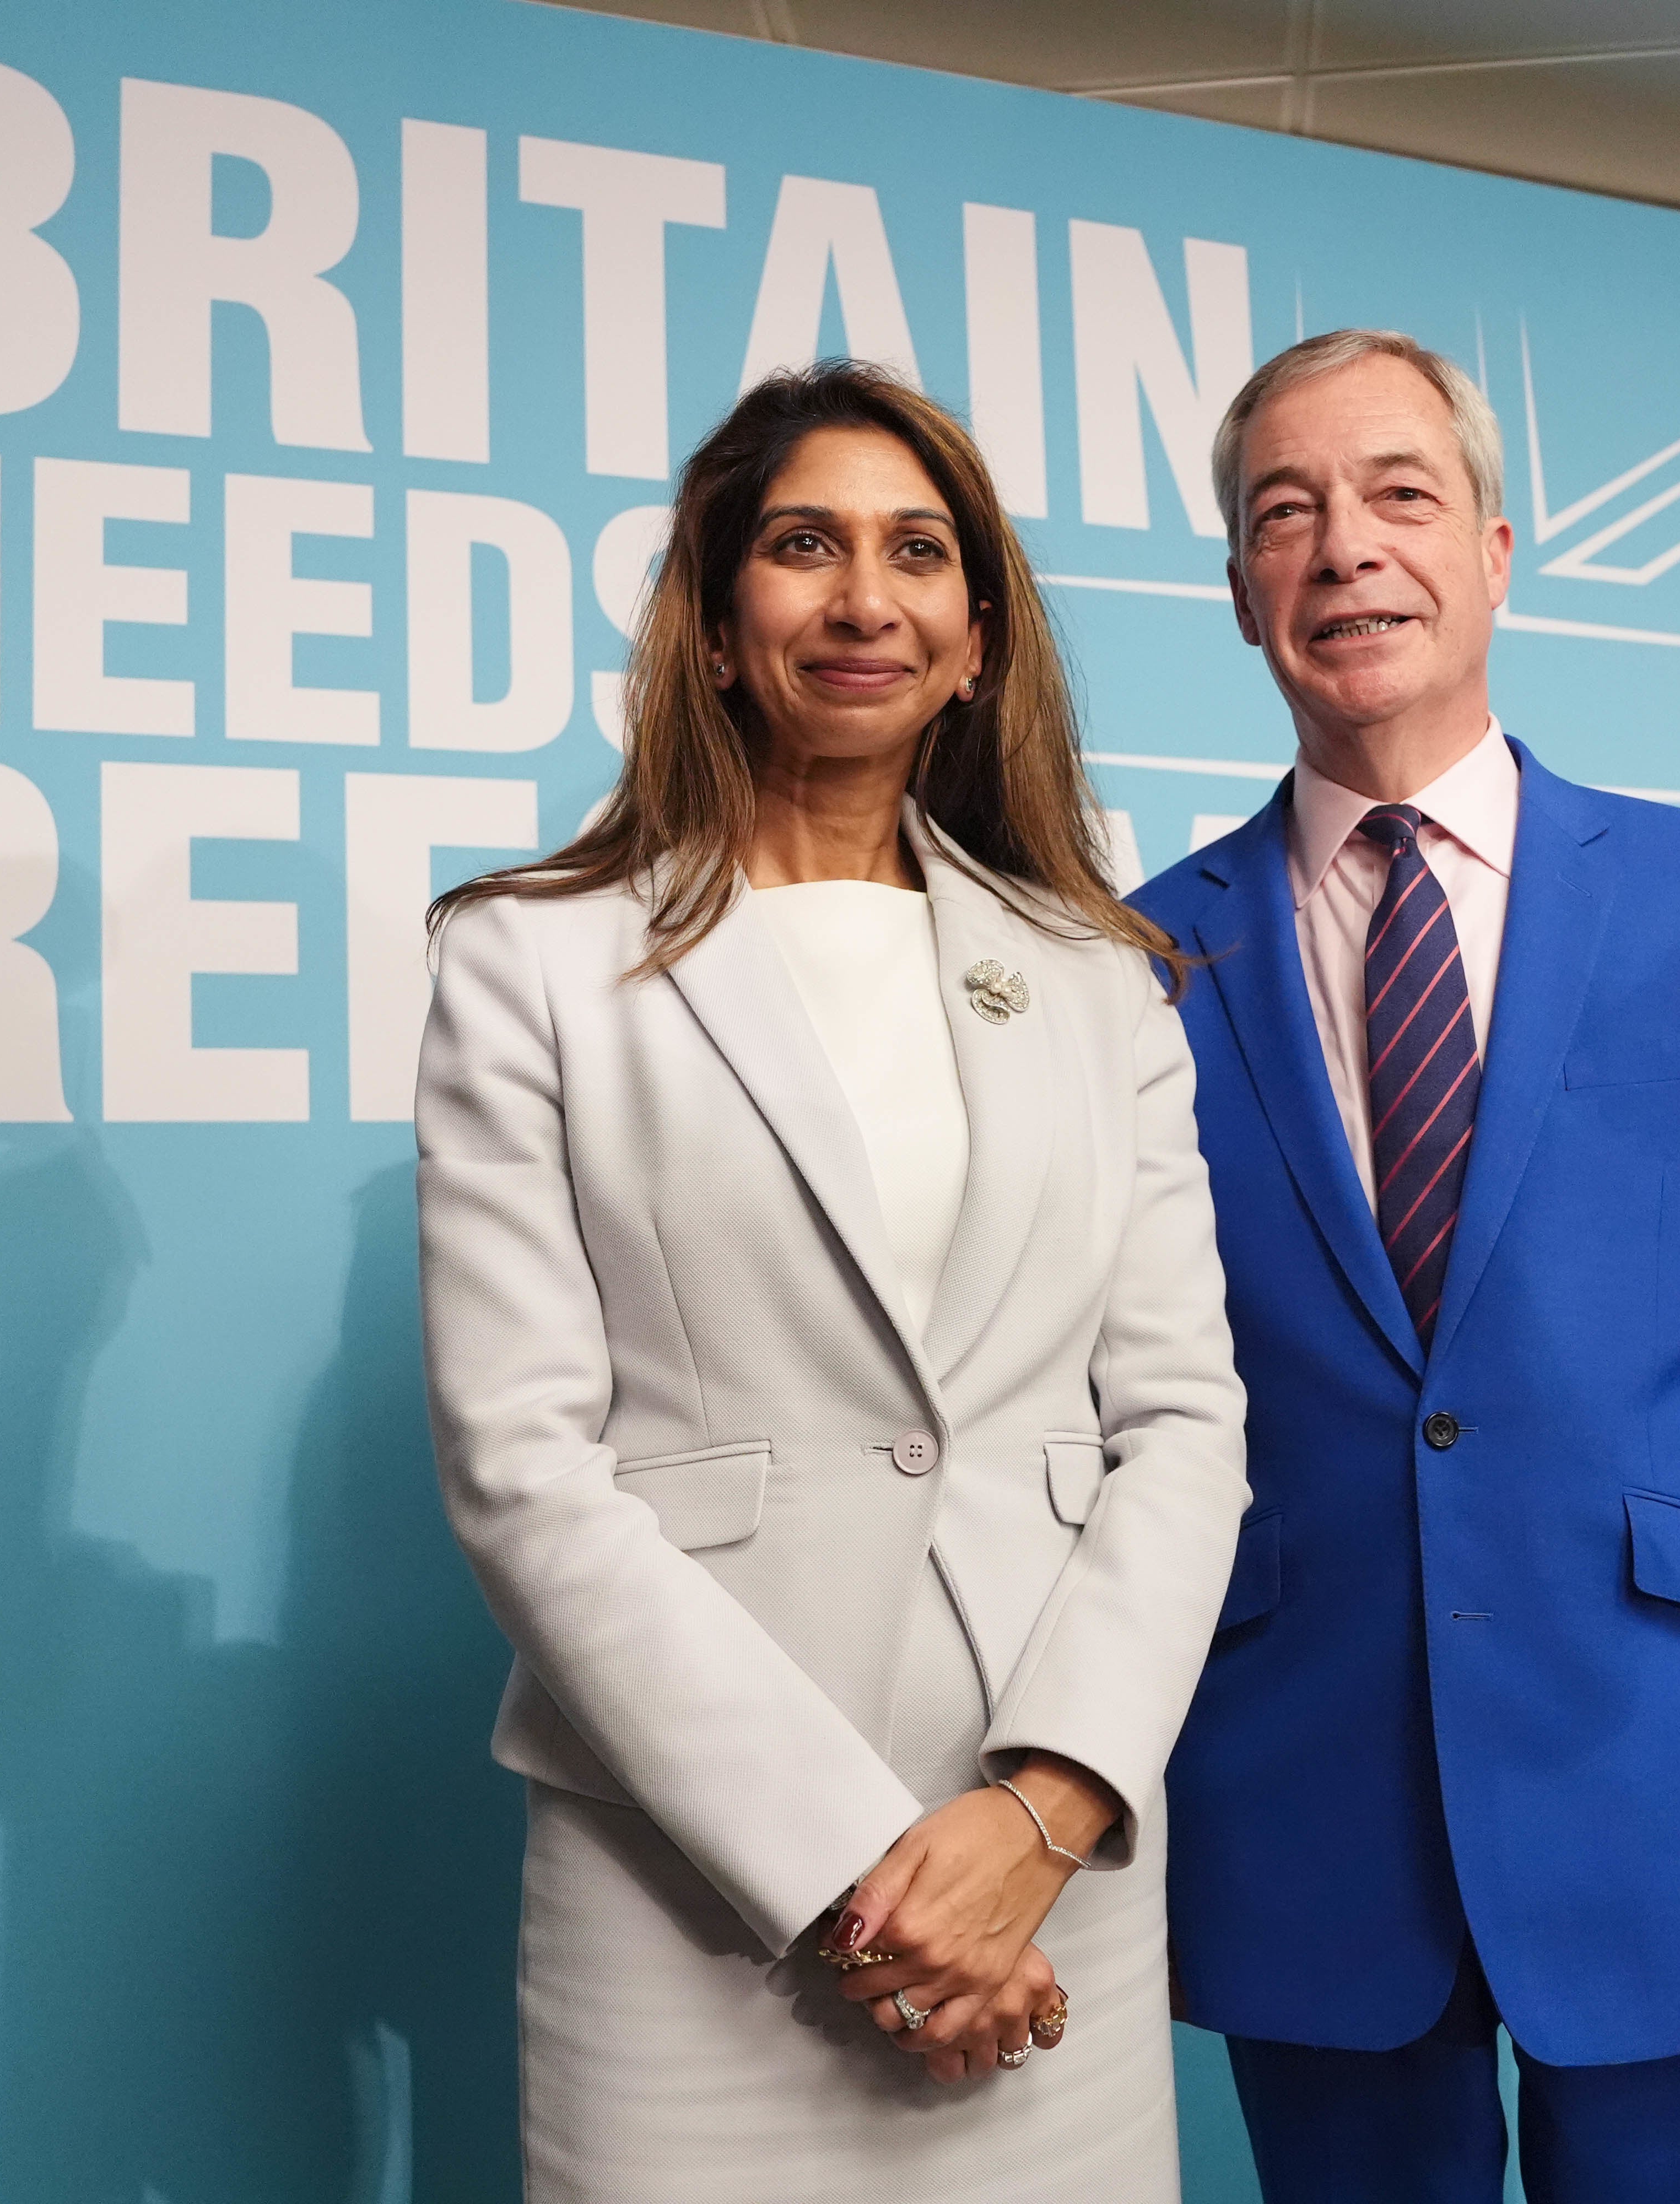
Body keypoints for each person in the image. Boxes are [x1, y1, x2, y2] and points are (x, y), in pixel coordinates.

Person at [1132, 327, 1680, 2202]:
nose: (1348, 547)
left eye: (1400, 496)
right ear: (1242, 591)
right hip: (1301, 1803)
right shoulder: (1141, 962)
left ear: (1498, 552)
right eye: (1290, 513)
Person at [414, 360, 1249, 2203]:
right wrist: (860, 1876)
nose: (865, 597)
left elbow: (1185, 1427)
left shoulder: (1105, 977)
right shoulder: (528, 962)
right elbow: (521, 1470)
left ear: (974, 642)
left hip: (1050, 1863)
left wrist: (1040, 1813)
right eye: (805, 547)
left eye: (917, 554)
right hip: (690, 1878)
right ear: (715, 626)